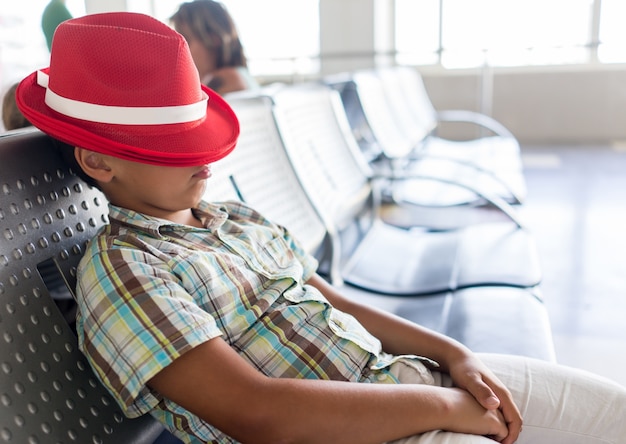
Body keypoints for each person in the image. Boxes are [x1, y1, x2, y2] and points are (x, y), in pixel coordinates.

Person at [15, 12, 626, 444]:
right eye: (171, 147)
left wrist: (454, 356)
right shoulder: (125, 270)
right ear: (98, 162)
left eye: (195, 137)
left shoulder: (232, 218)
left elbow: (329, 299)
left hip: (401, 384)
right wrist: (445, 407)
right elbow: (259, 413)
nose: (204, 158)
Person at [170, 0, 259, 95]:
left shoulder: (225, 80)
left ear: (213, 38)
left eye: (186, 41)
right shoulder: (241, 74)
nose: (179, 52)